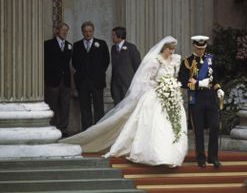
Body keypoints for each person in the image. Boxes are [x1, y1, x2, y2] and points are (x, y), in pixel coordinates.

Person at [60, 36, 188, 167]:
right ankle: (157, 154)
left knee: (172, 125)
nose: (171, 51)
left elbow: (175, 77)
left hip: (171, 96)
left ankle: (171, 154)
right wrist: (160, 87)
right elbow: (145, 80)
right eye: (169, 49)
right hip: (155, 95)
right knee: (157, 125)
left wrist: (172, 87)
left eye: (173, 49)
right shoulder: (154, 61)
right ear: (163, 48)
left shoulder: (175, 60)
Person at [178, 35, 224, 169]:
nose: (200, 51)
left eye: (203, 48)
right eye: (198, 48)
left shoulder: (211, 60)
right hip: (196, 98)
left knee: (215, 126)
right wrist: (198, 84)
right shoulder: (187, 62)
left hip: (210, 98)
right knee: (198, 130)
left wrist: (219, 88)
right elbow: (183, 81)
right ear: (194, 47)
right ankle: (200, 158)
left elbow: (216, 78)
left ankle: (213, 157)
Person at [72, 21, 110, 131]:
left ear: (93, 31)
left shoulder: (101, 44)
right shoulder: (77, 45)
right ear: (82, 32)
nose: (88, 34)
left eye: (90, 31)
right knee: (85, 108)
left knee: (99, 107)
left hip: (97, 81)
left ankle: (99, 131)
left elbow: (106, 61)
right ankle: (87, 132)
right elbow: (74, 62)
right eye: (85, 31)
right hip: (82, 81)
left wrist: (98, 73)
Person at [44, 22, 72, 137]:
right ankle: (52, 127)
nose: (64, 32)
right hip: (53, 80)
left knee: (65, 105)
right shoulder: (48, 44)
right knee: (52, 105)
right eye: (62, 30)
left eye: (66, 30)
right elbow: (44, 63)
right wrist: (47, 77)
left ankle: (63, 128)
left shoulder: (69, 45)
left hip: (65, 80)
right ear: (57, 31)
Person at [111, 27, 141, 105]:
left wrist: (135, 84)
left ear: (119, 36)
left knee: (126, 106)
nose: (112, 37)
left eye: (114, 35)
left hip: (127, 83)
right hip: (116, 84)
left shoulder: (131, 48)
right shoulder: (113, 48)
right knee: (117, 106)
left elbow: (137, 66)